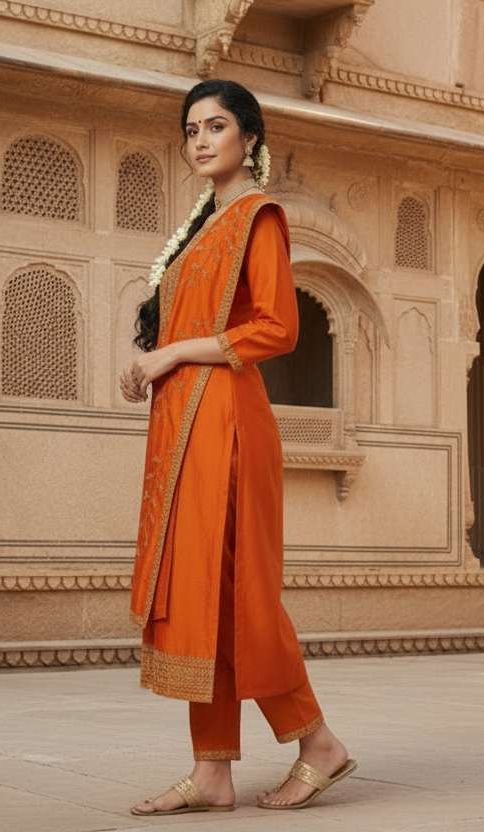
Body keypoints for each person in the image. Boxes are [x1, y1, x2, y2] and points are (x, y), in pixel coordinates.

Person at [120, 79, 356, 816]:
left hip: (226, 423)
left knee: (240, 591)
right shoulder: (202, 224)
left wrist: (171, 355)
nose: (198, 139)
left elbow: (277, 329)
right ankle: (212, 769)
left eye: (215, 126)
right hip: (185, 422)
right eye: (190, 127)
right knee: (200, 594)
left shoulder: (258, 215)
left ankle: (317, 742)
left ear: (249, 138)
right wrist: (149, 362)